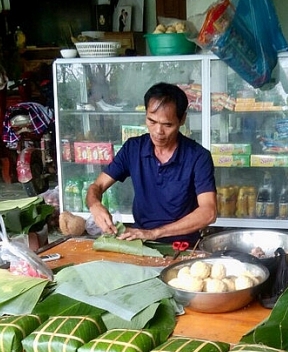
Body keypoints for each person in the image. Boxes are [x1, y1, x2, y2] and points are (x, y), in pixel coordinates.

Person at [86, 83, 217, 244]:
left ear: (182, 119)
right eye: (152, 121)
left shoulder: (198, 157)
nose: (158, 132)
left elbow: (208, 211)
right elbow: (96, 187)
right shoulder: (133, 149)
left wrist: (154, 233)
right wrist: (95, 205)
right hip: (140, 241)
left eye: (167, 125)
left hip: (182, 245)